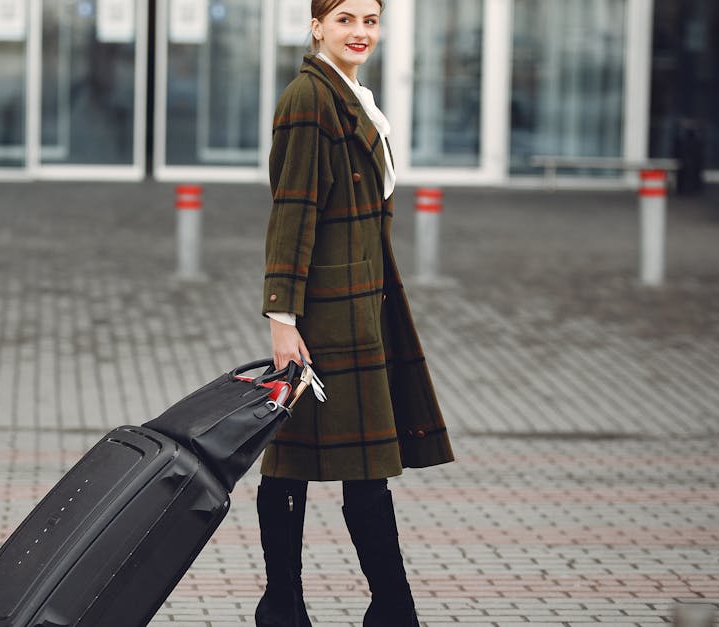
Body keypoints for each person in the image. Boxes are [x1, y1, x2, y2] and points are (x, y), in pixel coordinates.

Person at [257, 1, 455, 625]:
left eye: (370, 19)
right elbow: (293, 210)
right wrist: (282, 317)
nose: (360, 32)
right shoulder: (308, 99)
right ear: (316, 26)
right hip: (326, 308)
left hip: (364, 299)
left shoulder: (353, 97)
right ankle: (380, 609)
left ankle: (295, 606)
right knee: (335, 460)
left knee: (326, 456)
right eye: (345, 19)